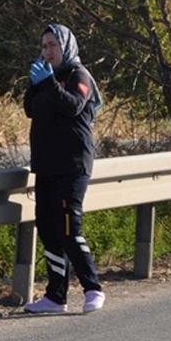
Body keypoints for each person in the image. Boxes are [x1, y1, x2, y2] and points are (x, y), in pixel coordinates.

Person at [23, 24, 106, 314]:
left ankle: (93, 288)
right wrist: (36, 84)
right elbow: (30, 108)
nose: (47, 52)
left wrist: (48, 84)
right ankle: (56, 296)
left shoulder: (78, 75)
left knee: (69, 227)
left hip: (72, 166)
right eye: (44, 46)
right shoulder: (47, 77)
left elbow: (72, 105)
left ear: (66, 47)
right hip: (46, 166)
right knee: (48, 228)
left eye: (53, 46)